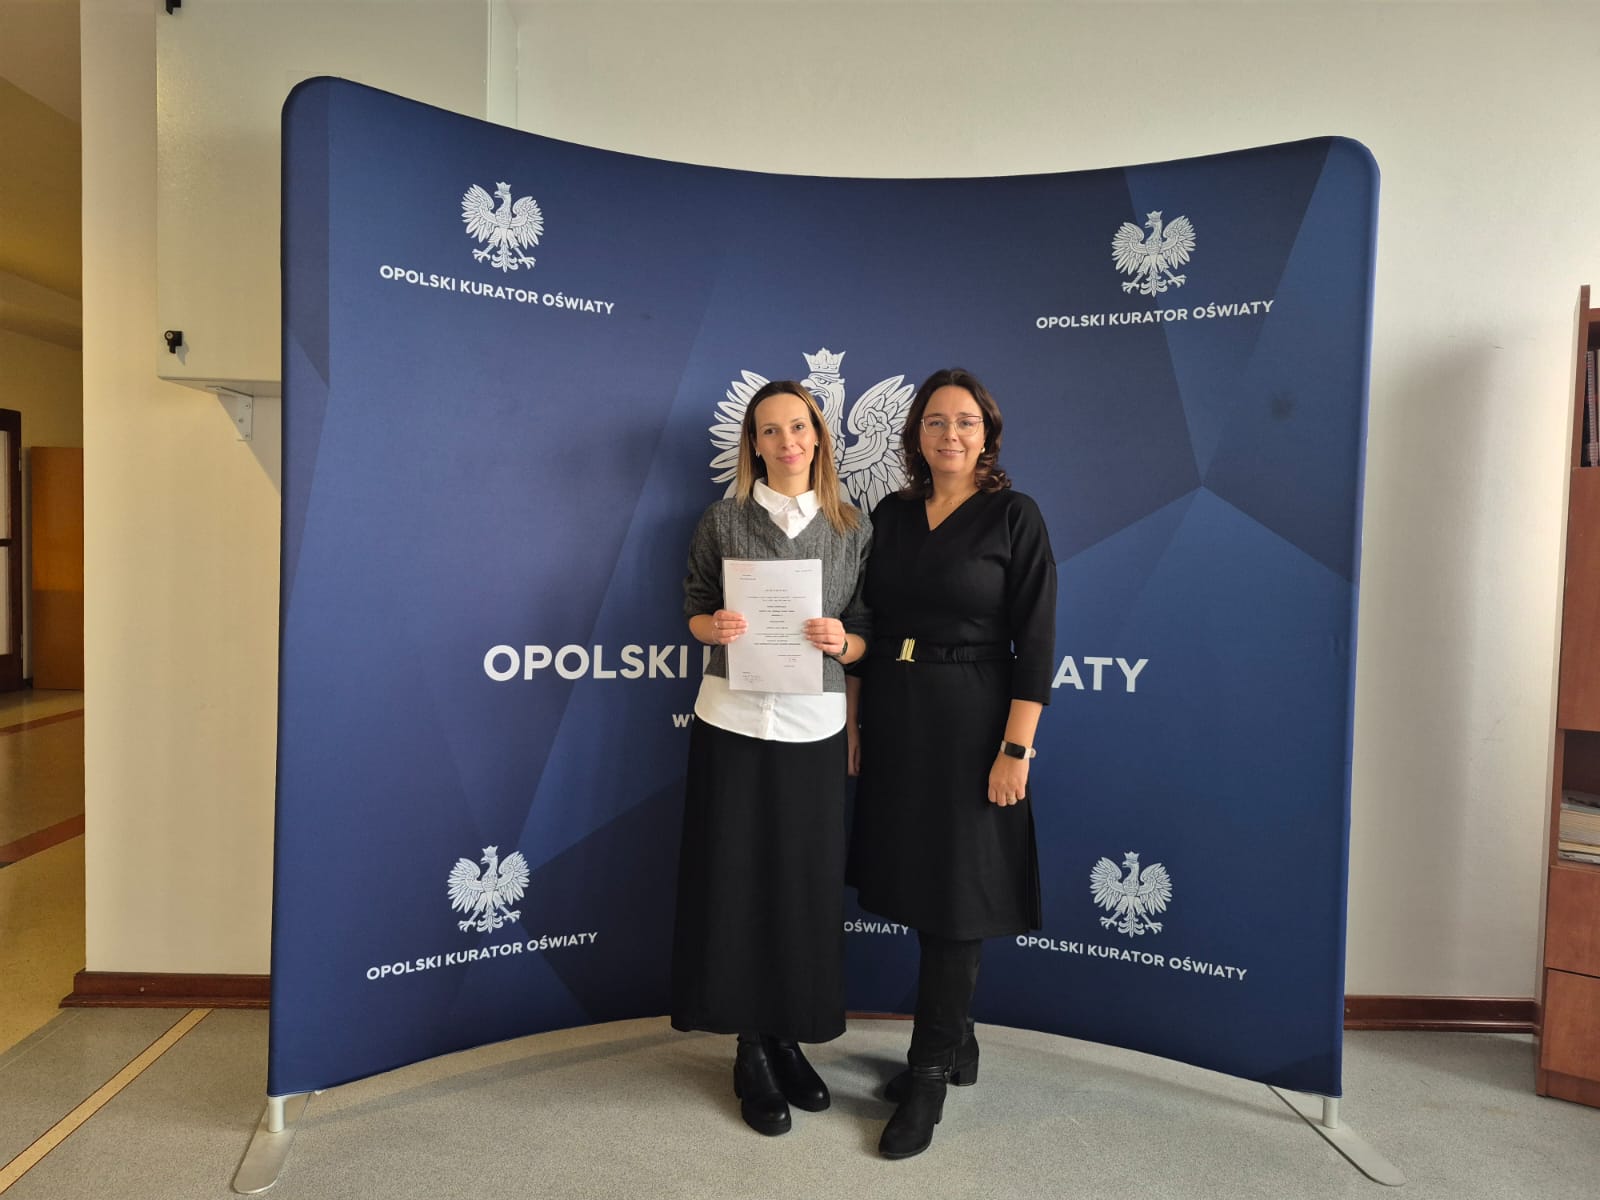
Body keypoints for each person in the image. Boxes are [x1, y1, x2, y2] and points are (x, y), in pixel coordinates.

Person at [847, 367, 1058, 1159]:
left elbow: (1036, 643)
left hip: (976, 720)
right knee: (915, 881)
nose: (950, 435)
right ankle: (958, 1043)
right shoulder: (893, 515)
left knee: (957, 899)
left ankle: (929, 1071)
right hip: (897, 713)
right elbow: (868, 618)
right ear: (916, 436)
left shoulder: (1014, 515)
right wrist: (856, 722)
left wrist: (1015, 749)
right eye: (936, 421)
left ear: (987, 434)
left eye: (966, 421)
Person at [671, 379, 873, 1137]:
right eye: (769, 430)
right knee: (734, 882)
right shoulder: (722, 519)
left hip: (814, 725)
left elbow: (867, 631)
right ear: (752, 444)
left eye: (798, 427)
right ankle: (749, 1047)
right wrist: (712, 628)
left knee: (801, 886)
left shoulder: (852, 525)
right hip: (731, 719)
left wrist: (843, 642)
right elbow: (693, 605)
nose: (786, 441)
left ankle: (789, 1035)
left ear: (818, 436)